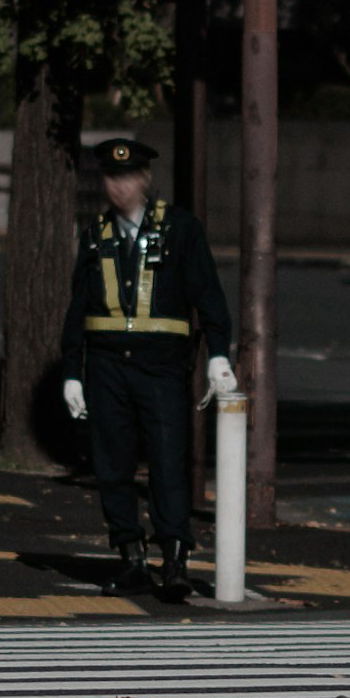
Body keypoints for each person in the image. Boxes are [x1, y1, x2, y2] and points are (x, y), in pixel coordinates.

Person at [58, 129, 238, 605]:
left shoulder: (180, 229)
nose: (119, 187)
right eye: (111, 178)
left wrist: (219, 354)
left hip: (162, 366)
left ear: (146, 178)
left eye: (128, 176)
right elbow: (78, 308)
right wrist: (72, 372)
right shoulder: (95, 236)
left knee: (166, 460)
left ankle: (175, 559)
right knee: (112, 463)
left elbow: (208, 295)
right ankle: (131, 559)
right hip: (106, 366)